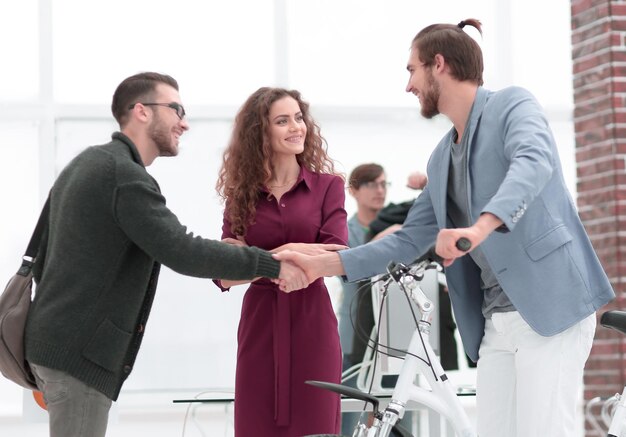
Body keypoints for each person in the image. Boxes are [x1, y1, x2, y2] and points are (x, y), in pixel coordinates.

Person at [275, 19, 615, 437]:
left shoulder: (512, 105)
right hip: (496, 322)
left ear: (438, 64)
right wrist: (321, 265)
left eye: (411, 70)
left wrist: (479, 228)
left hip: (549, 303)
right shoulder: (441, 159)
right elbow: (406, 239)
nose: (408, 85)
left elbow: (533, 163)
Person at [23, 72, 310, 437]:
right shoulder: (123, 175)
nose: (184, 123)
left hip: (57, 344)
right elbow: (182, 250)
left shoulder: (91, 162)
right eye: (176, 109)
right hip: (76, 355)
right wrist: (271, 263)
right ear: (141, 111)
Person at [214, 87, 348, 437]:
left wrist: (256, 258)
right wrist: (289, 257)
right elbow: (224, 274)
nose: (296, 127)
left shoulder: (328, 186)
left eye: (299, 118)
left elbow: (338, 253)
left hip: (312, 321)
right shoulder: (240, 195)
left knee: (316, 426)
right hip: (260, 324)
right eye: (282, 121)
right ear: (261, 132)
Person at [338, 164, 428, 435]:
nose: (379, 191)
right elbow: (349, 270)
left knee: (400, 414)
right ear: (353, 190)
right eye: (371, 184)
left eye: (383, 184)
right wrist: (380, 242)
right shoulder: (344, 230)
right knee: (352, 414)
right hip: (357, 334)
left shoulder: (400, 228)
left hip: (397, 336)